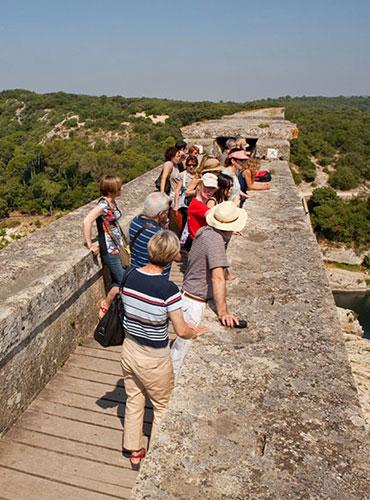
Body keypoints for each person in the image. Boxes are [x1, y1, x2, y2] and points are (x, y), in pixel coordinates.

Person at [120, 231, 207, 469]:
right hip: (154, 356)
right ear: (170, 258)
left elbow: (116, 296)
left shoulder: (129, 276)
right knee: (161, 405)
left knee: (134, 398)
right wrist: (194, 332)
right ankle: (157, 455)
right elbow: (180, 329)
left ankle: (134, 449)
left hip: (129, 348)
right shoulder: (168, 290)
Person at [171, 201, 247, 374]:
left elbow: (211, 262)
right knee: (181, 351)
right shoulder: (215, 241)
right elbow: (217, 277)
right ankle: (169, 387)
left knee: (181, 346)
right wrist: (223, 312)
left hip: (188, 295)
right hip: (194, 301)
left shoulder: (205, 231)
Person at [83, 175, 125, 285]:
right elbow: (87, 221)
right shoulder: (103, 205)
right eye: (119, 188)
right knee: (123, 280)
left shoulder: (112, 202)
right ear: (111, 191)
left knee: (122, 278)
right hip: (110, 250)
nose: (122, 189)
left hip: (117, 246)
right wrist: (90, 245)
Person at [129, 192, 175, 278]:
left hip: (136, 272)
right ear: (160, 214)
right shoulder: (158, 234)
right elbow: (177, 257)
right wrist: (166, 231)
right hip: (155, 277)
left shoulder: (135, 221)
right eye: (167, 211)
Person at [186, 172, 218, 247]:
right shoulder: (197, 205)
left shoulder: (198, 203)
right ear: (199, 186)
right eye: (207, 187)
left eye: (213, 188)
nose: (210, 191)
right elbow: (214, 216)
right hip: (195, 244)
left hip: (196, 241)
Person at [173, 155, 198, 232]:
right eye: (189, 165)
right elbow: (177, 190)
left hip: (195, 204)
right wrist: (176, 205)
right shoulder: (183, 175)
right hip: (184, 205)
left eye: (193, 165)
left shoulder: (199, 175)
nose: (191, 167)